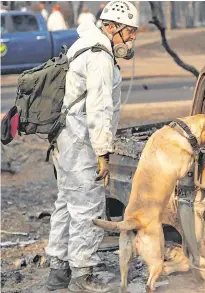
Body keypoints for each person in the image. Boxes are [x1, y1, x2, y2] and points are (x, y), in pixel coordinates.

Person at [44, 1, 139, 292]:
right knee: (88, 207)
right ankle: (82, 277)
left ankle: (58, 272)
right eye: (129, 32)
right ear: (111, 27)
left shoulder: (85, 44)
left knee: (66, 204)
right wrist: (103, 153)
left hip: (66, 139)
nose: (132, 39)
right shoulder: (98, 56)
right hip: (80, 142)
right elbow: (99, 109)